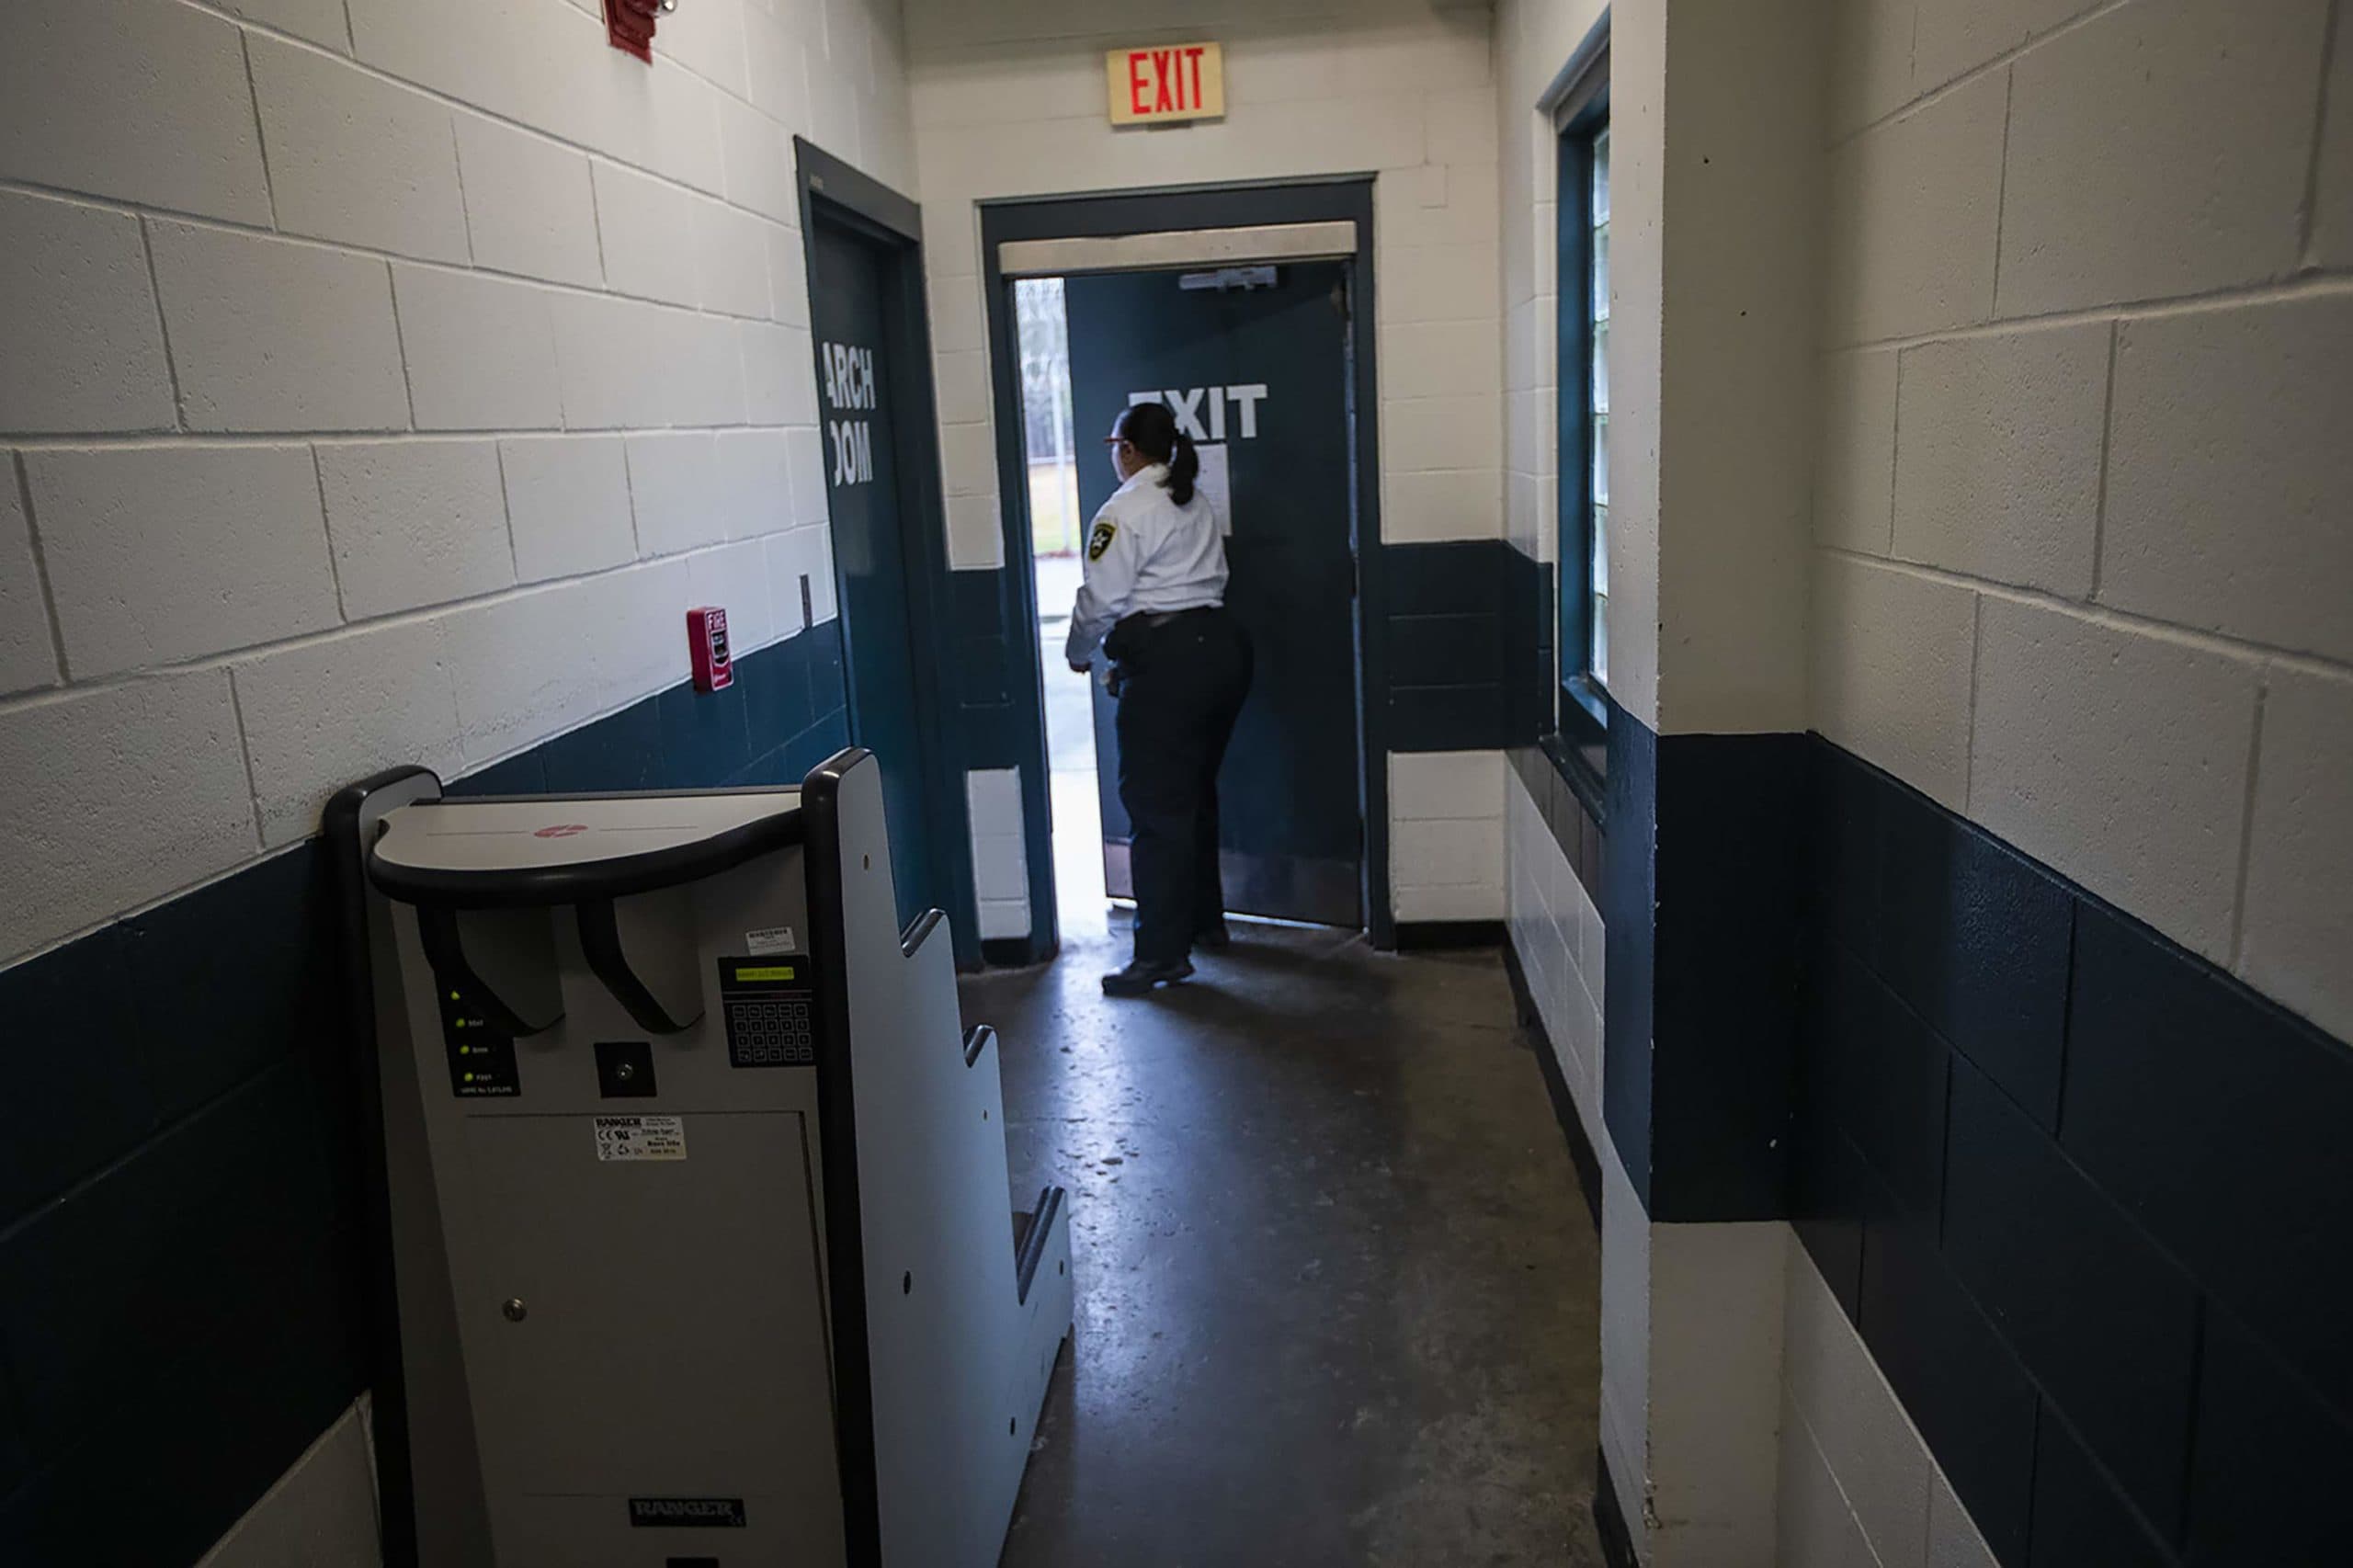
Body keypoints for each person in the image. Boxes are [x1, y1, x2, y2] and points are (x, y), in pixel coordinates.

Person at [1066, 400, 1254, 996]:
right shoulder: (1189, 496)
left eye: (1112, 447)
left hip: (1168, 666)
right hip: (1222, 653)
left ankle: (1160, 956)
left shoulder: (1125, 510)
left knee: (1155, 810)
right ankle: (1205, 924)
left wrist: (1078, 651)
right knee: (1192, 795)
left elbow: (1098, 598)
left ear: (1126, 450)